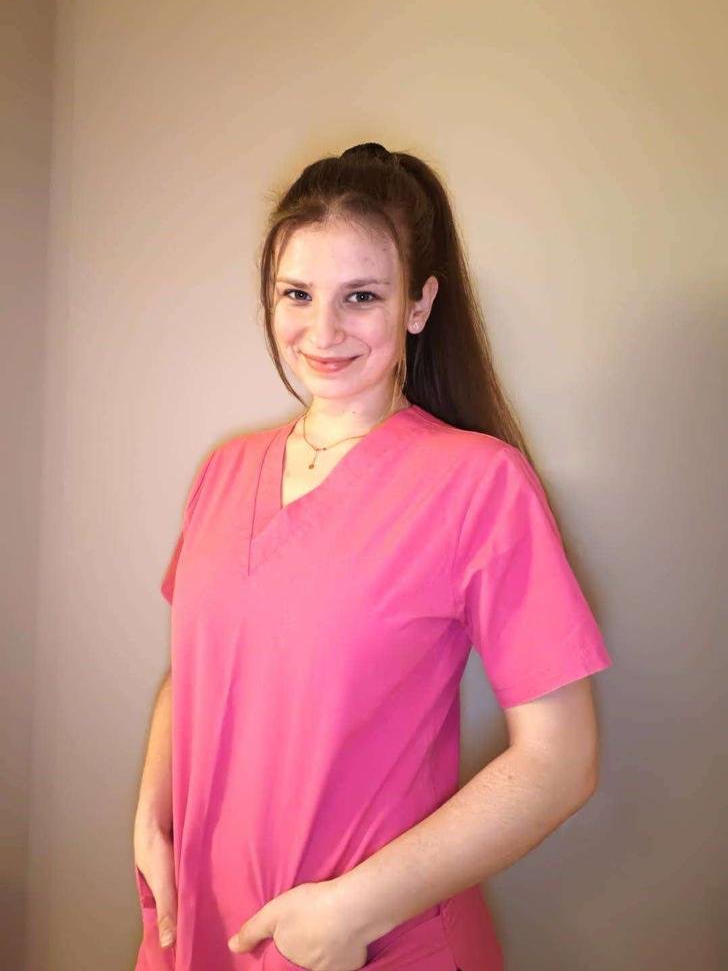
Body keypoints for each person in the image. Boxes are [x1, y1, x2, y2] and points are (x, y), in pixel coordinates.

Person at [132, 142, 613, 971]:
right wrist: (151, 816)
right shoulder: (224, 471)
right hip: (199, 930)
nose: (322, 332)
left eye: (361, 296)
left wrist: (350, 911)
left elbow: (561, 760)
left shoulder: (478, 484)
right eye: (297, 294)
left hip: (367, 943)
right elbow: (196, 666)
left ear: (419, 304)